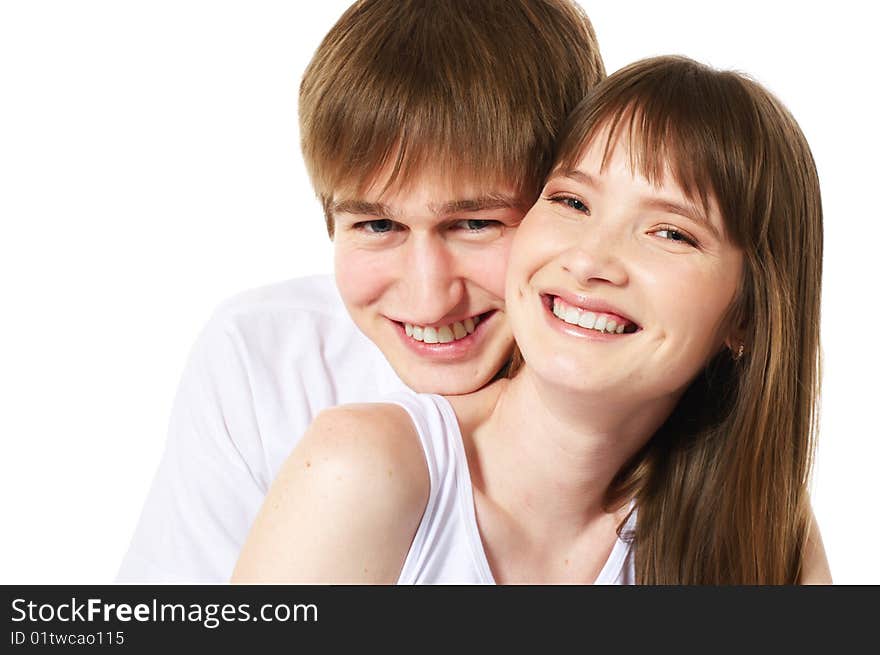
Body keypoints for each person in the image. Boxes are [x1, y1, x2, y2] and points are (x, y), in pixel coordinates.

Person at [233, 56, 832, 584]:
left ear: (748, 317)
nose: (590, 259)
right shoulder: (360, 468)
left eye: (670, 232)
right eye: (572, 202)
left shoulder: (761, 532)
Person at [116, 0, 605, 582]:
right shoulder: (264, 360)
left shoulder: (644, 377)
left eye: (476, 224)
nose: (429, 299)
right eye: (378, 226)